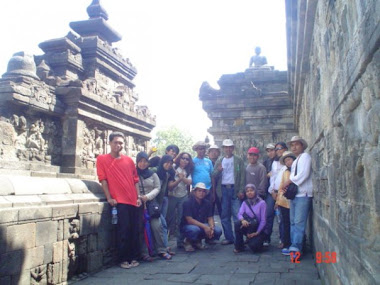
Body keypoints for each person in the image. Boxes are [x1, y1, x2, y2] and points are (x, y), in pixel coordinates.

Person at [96, 132, 141, 269]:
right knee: (123, 230)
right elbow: (103, 179)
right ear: (109, 143)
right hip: (119, 200)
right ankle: (123, 259)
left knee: (134, 230)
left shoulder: (128, 160)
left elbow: (135, 180)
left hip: (133, 200)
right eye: (115, 142)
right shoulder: (102, 159)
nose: (118, 145)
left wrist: (138, 197)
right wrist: (109, 197)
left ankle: (133, 257)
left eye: (121, 143)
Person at [136, 152, 172, 260]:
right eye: (140, 161)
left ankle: (161, 250)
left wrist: (147, 197)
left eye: (145, 161)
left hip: (151, 203)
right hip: (137, 203)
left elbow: (157, 188)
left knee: (157, 226)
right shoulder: (133, 173)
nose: (142, 164)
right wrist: (139, 197)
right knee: (141, 228)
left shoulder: (152, 174)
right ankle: (144, 252)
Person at [282, 136, 313, 257]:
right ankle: (294, 245)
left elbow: (303, 175)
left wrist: (289, 181)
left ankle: (296, 248)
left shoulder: (305, 157)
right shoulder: (296, 160)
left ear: (302, 146)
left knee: (299, 222)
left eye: (297, 144)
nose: (294, 147)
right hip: (296, 195)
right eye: (292, 145)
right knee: (293, 222)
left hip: (303, 194)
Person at [212, 139, 245, 245]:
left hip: (234, 188)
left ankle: (239, 238)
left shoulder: (238, 160)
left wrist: (241, 190)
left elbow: (242, 176)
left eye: (230, 147)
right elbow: (213, 175)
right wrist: (218, 170)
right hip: (223, 190)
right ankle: (229, 237)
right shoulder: (220, 160)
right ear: (223, 149)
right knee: (224, 215)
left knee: (237, 214)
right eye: (226, 147)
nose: (228, 149)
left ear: (233, 148)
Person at [181, 182, 222, 252]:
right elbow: (189, 220)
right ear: (194, 192)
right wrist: (205, 227)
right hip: (189, 226)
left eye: (203, 191)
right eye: (199, 191)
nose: (201, 193)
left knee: (217, 230)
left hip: (201, 225)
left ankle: (200, 240)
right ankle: (187, 241)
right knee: (195, 230)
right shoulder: (187, 203)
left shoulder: (207, 203)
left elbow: (210, 218)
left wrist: (211, 227)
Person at [167, 152, 193, 248]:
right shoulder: (173, 168)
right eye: (183, 158)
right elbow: (170, 186)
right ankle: (166, 242)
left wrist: (183, 178)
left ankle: (180, 240)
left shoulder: (188, 170)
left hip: (183, 196)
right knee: (169, 218)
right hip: (172, 196)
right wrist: (180, 179)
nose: (185, 160)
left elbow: (189, 182)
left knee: (182, 218)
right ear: (179, 158)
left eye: (187, 159)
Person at [264, 142, 288, 247]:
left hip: (283, 194)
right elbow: (273, 179)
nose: (278, 151)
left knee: (282, 217)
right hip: (273, 193)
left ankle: (283, 239)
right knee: (268, 215)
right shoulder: (274, 163)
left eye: (280, 148)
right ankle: (266, 238)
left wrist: (280, 193)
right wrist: (272, 191)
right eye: (276, 149)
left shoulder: (288, 162)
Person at [234, 184, 267, 253]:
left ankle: (257, 240)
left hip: (257, 228)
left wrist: (257, 232)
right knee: (237, 224)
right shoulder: (245, 203)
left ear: (255, 191)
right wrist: (242, 220)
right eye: (247, 191)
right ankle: (239, 246)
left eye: (251, 190)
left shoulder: (262, 203)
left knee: (255, 247)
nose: (249, 192)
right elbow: (239, 214)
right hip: (248, 225)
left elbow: (263, 221)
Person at [275, 151, 296, 255]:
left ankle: (295, 244)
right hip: (284, 201)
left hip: (294, 200)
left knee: (294, 223)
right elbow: (281, 187)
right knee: (286, 223)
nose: (288, 162)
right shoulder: (285, 172)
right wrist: (278, 201)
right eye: (286, 160)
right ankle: (287, 243)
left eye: (289, 159)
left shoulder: (296, 171)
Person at [153, 155, 175, 253]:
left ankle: (164, 246)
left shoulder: (167, 174)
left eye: (171, 163)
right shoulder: (154, 172)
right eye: (167, 162)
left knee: (162, 223)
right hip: (153, 202)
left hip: (163, 199)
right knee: (162, 224)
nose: (169, 165)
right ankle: (163, 247)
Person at [207, 144, 222, 217]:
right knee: (209, 211)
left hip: (220, 189)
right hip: (209, 189)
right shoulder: (206, 163)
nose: (213, 153)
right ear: (208, 153)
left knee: (222, 211)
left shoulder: (221, 162)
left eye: (215, 151)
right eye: (211, 151)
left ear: (219, 153)